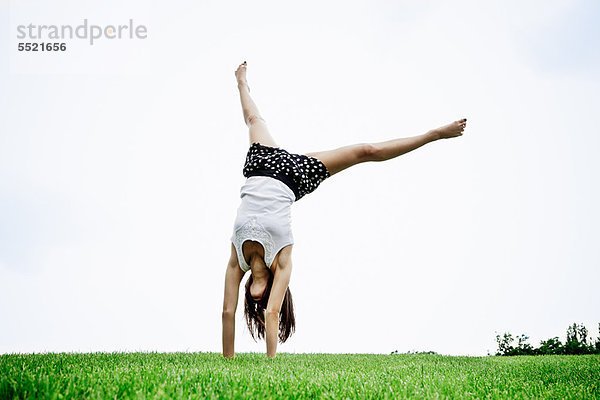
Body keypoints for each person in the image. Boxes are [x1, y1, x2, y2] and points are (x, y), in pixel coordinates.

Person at [222, 61, 467, 359]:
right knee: (366, 152)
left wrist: (228, 361)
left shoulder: (237, 258)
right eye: (263, 299)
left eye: (255, 300)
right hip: (295, 177)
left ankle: (241, 83)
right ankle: (436, 134)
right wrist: (255, 365)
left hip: (264, 164)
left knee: (253, 118)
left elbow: (227, 311)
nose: (260, 300)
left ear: (248, 292)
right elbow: (273, 313)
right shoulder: (282, 261)